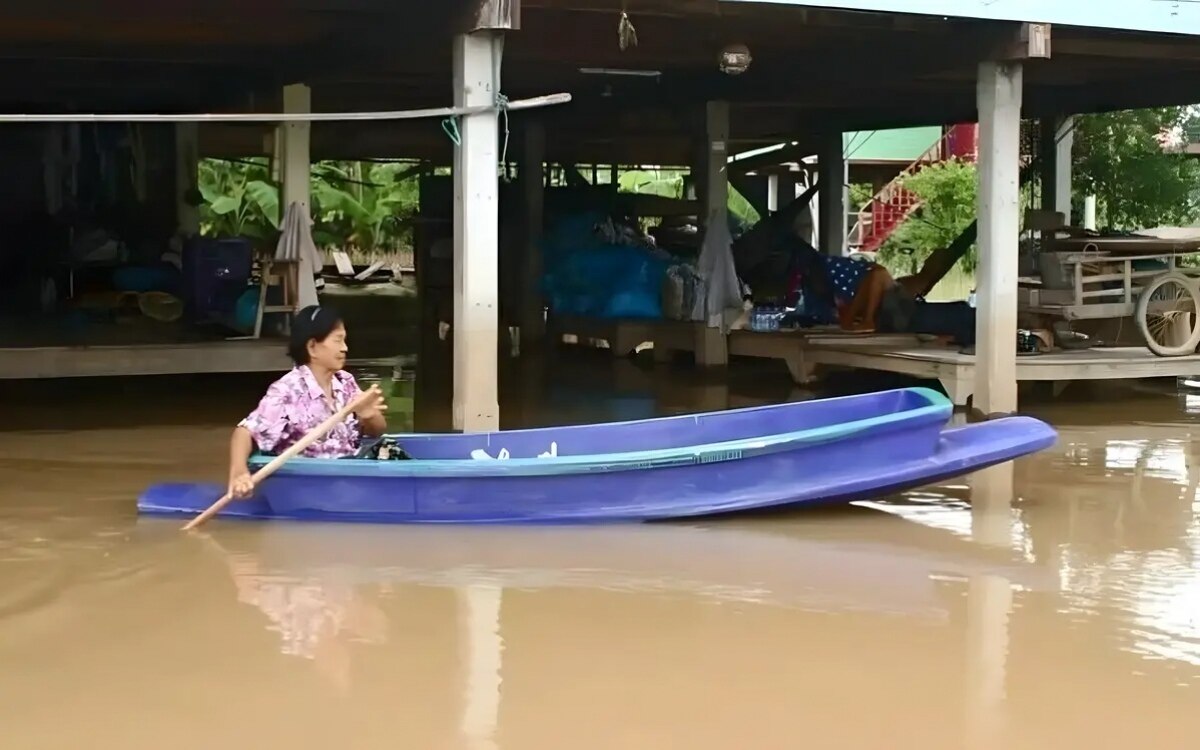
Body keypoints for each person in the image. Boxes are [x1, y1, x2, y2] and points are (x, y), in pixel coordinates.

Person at [227, 305, 388, 499]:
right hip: (314, 486)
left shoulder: (345, 382)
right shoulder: (287, 391)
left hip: (350, 475)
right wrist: (239, 473)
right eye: (338, 340)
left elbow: (377, 431)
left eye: (344, 340)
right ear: (312, 347)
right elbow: (244, 432)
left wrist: (370, 417)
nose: (345, 348)